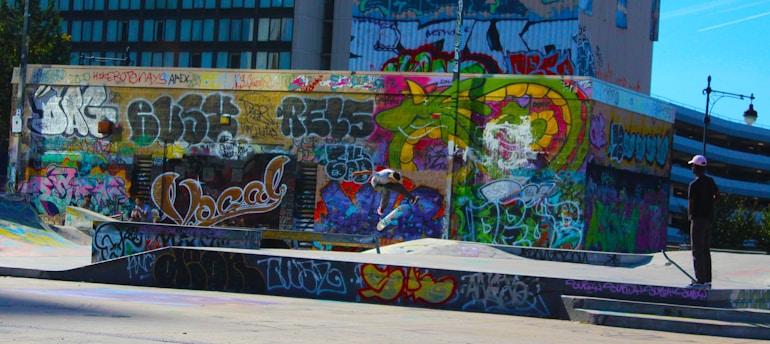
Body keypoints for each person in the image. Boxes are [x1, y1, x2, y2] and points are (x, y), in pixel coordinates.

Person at [687, 155, 720, 289]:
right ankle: (707, 280)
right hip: (709, 219)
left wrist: (690, 215)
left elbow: (692, 202)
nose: (692, 168)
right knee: (706, 250)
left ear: (696, 167)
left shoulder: (694, 184)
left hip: (698, 219)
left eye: (693, 166)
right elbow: (718, 195)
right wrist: (710, 203)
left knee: (697, 249)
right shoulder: (710, 181)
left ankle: (700, 280)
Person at [352, 168, 419, 216]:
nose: (395, 182)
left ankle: (412, 198)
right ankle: (381, 208)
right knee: (385, 191)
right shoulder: (381, 175)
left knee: (399, 186)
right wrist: (358, 173)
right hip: (376, 184)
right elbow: (369, 172)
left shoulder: (394, 174)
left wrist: (411, 181)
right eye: (394, 181)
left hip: (387, 183)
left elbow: (403, 177)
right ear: (391, 178)